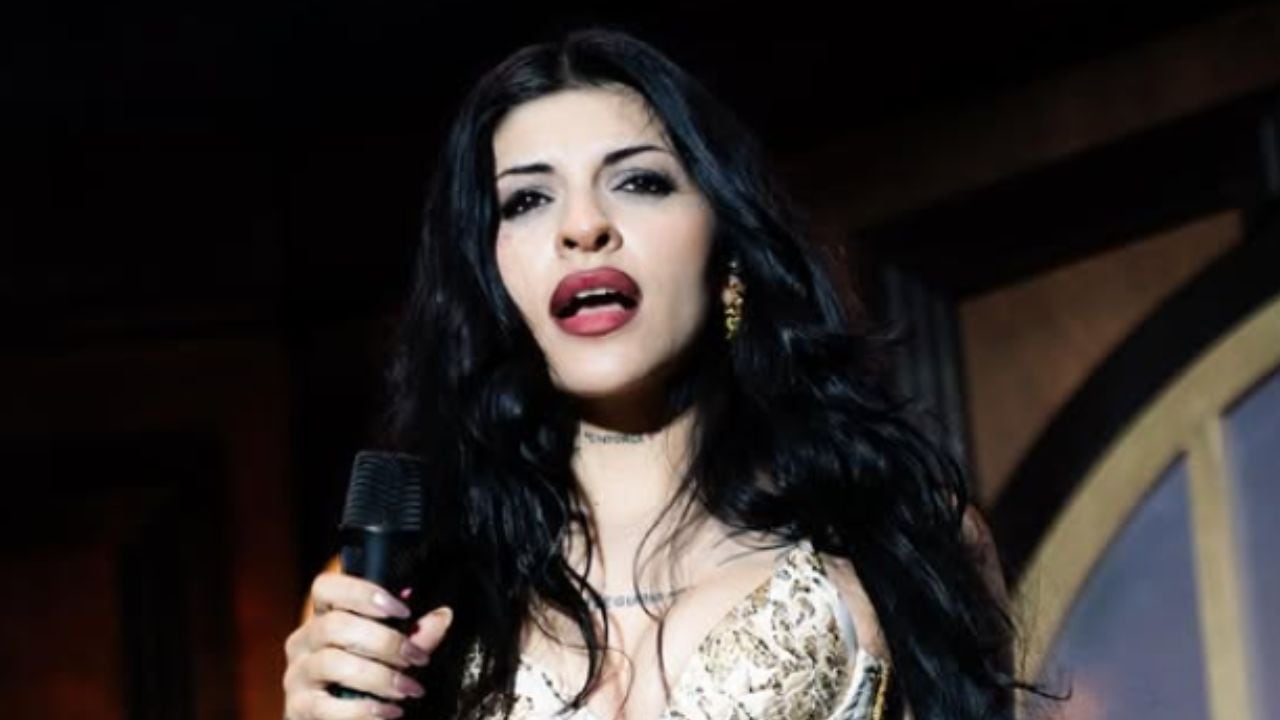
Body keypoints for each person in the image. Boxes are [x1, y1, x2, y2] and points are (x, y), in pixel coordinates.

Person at [283, 26, 1031, 720]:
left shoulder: (899, 534)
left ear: (728, 245)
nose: (584, 227)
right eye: (528, 199)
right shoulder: (399, 596)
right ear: (489, 276)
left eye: (639, 182)